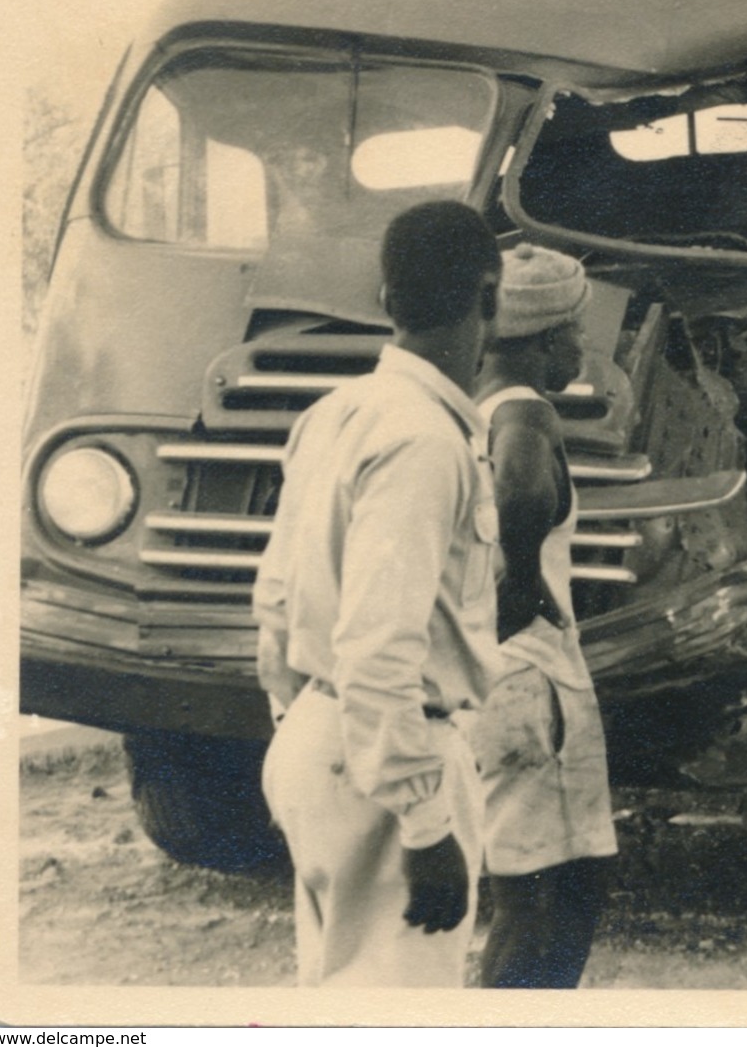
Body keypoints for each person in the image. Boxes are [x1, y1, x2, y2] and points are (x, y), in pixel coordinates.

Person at [253, 200, 503, 987]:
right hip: (391, 767)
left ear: (386, 299)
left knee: (335, 1000)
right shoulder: (426, 439)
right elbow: (378, 640)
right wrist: (423, 821)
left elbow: (276, 599)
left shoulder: (337, 412)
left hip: (323, 738)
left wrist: (305, 729)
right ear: (490, 297)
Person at [470, 244, 618, 989]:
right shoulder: (525, 410)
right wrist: (523, 581)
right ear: (543, 338)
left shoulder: (464, 407)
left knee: (540, 890)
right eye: (575, 331)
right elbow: (523, 493)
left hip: (494, 677)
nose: (579, 346)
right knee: (544, 902)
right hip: (534, 680)